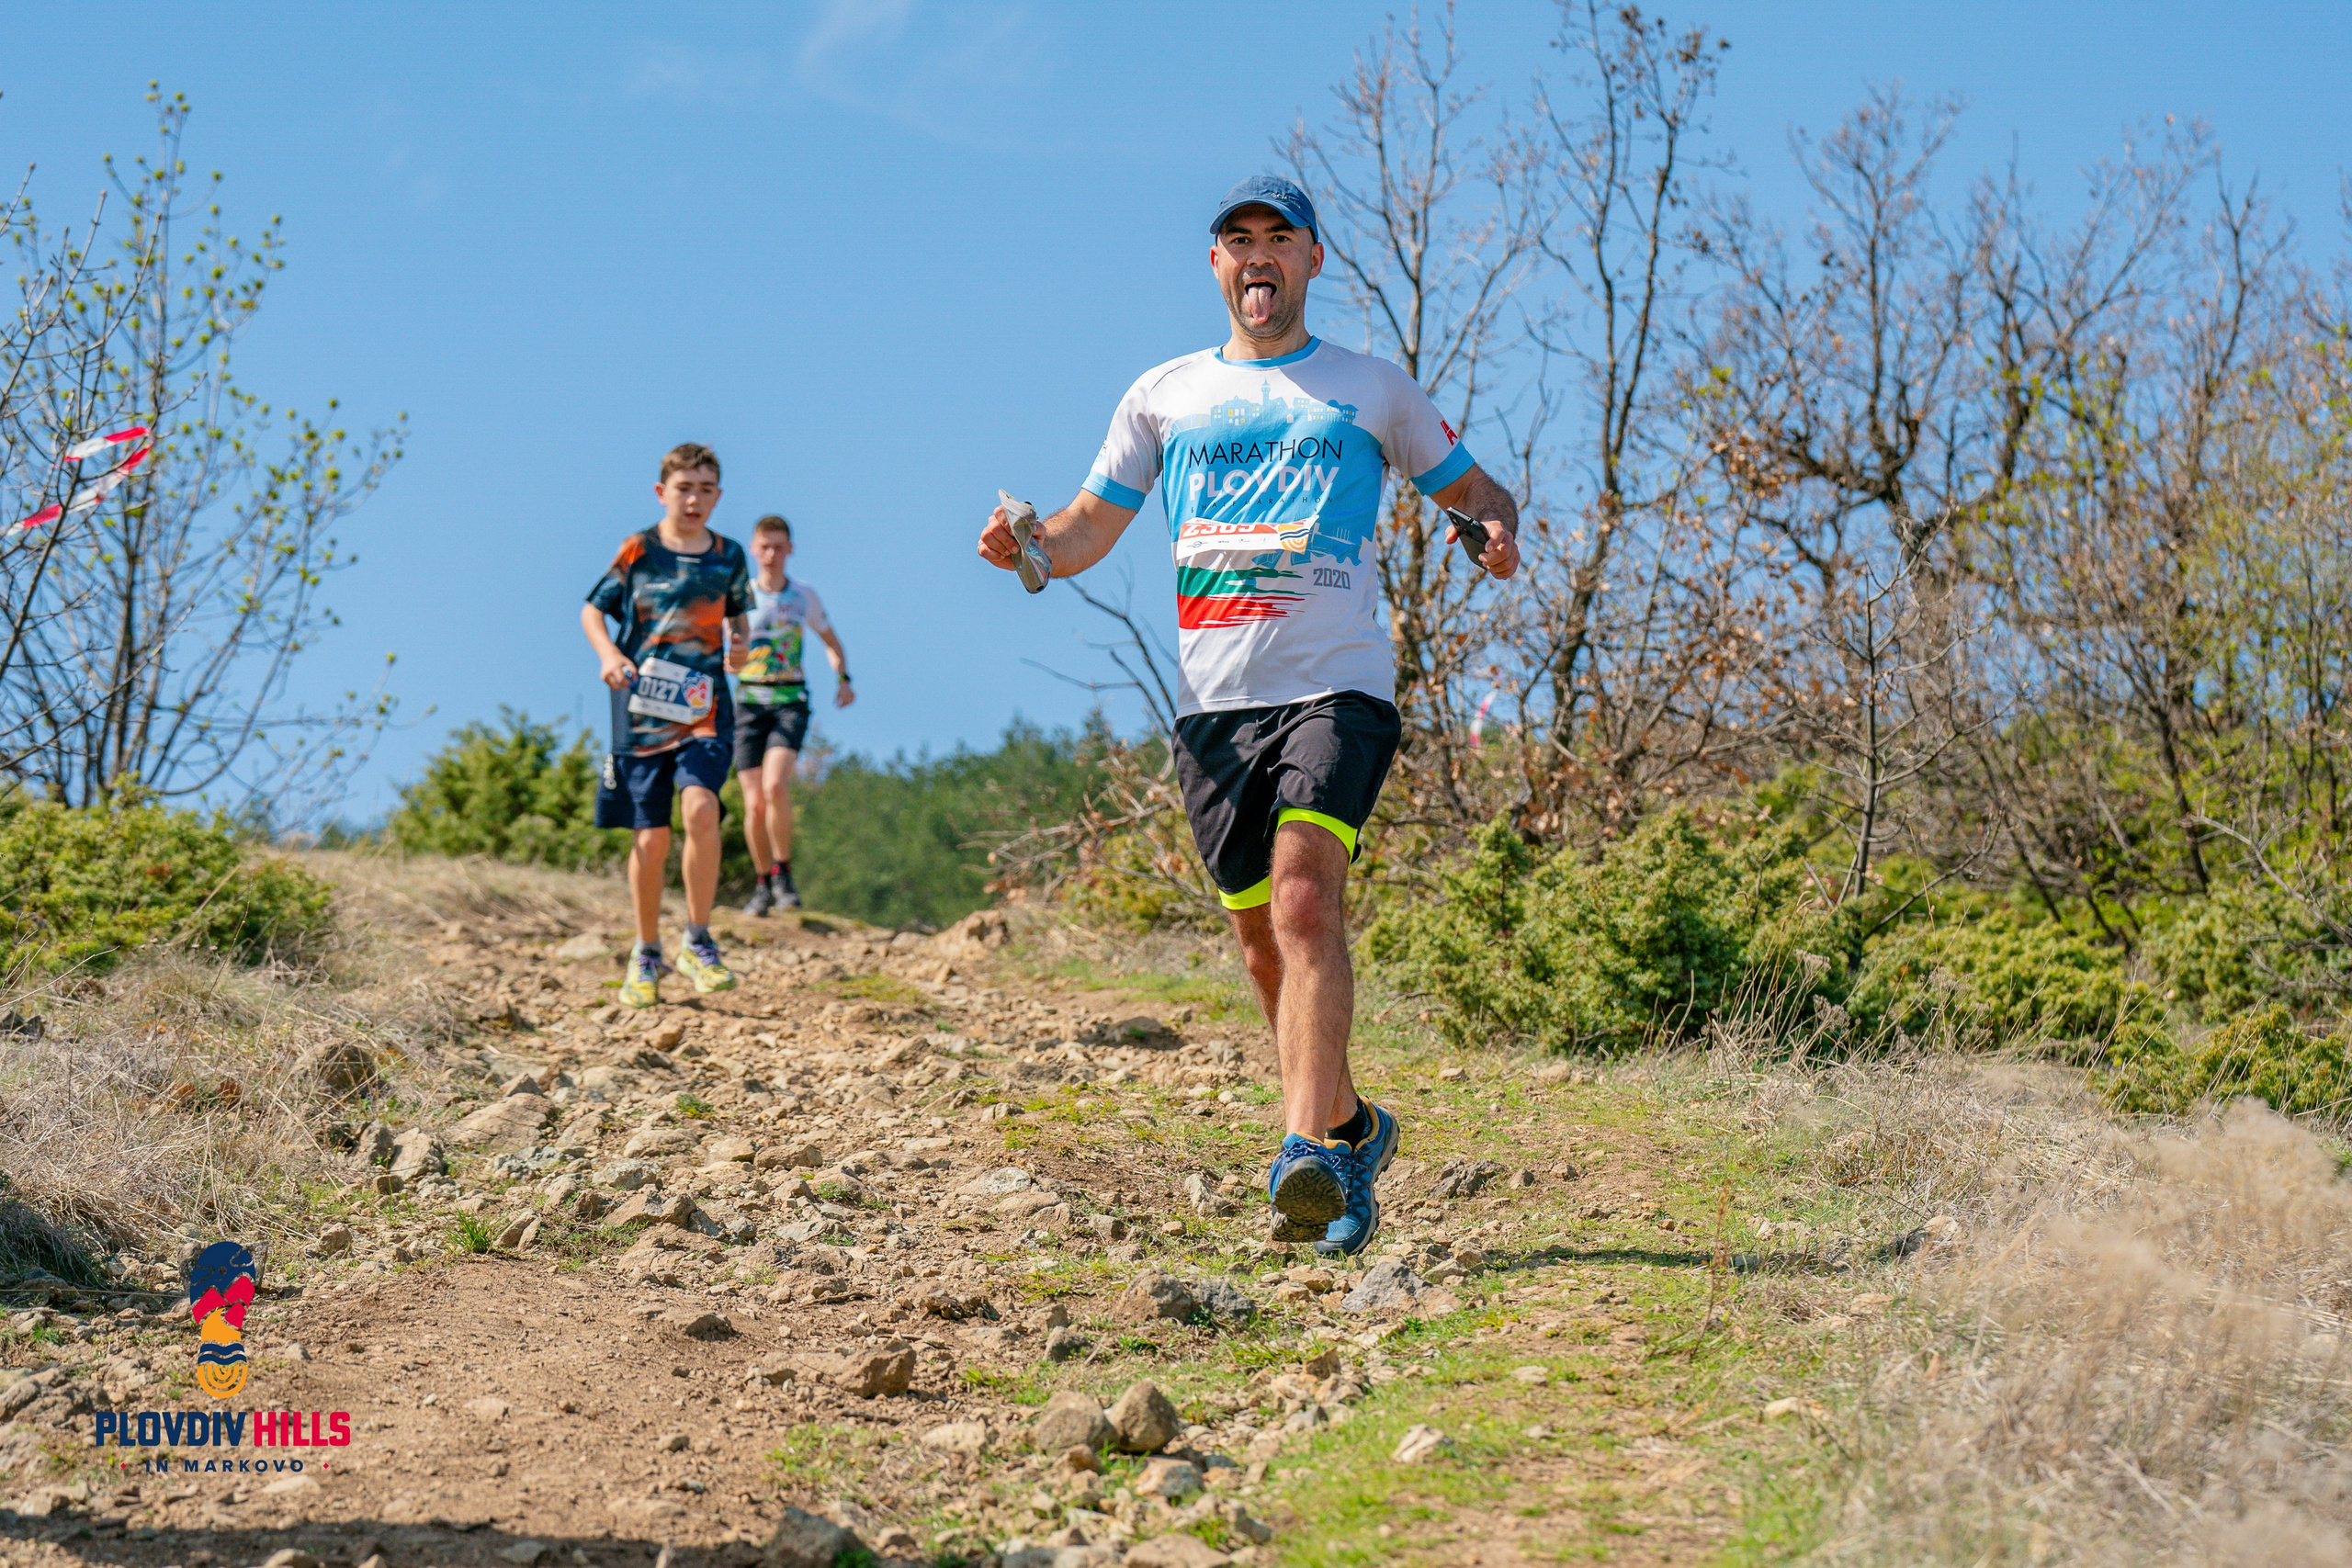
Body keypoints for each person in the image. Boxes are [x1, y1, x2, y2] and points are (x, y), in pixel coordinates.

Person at [974, 175, 1521, 1257]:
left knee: (1306, 905)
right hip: (1214, 710)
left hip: (1339, 690)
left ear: (1312, 261)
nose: (1257, 255)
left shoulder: (1370, 390)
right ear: (1215, 266)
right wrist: (1025, 549)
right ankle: (1351, 1130)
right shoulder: (1164, 395)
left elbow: (1479, 495)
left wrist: (1494, 531)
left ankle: (1303, 1159)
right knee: (1263, 948)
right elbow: (1083, 533)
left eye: (1279, 238)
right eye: (1237, 240)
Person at [581, 442, 752, 1008]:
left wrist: (740, 647)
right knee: (650, 839)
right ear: (663, 492)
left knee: (701, 807)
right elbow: (592, 608)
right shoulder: (639, 550)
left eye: (706, 489)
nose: (694, 499)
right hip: (641, 709)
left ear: (718, 496)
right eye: (685, 488)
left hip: (704, 708)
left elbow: (738, 613)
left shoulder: (728, 555)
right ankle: (646, 949)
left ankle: (699, 940)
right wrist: (609, 655)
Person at [735, 513, 854, 915]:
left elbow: (830, 640)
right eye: (764, 547)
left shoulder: (804, 596)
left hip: (789, 701)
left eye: (778, 547)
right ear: (754, 549)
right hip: (748, 703)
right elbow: (720, 651)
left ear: (790, 550)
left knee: (775, 787)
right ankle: (763, 882)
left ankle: (783, 870)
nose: (771, 555)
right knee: (753, 805)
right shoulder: (739, 597)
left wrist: (844, 677)